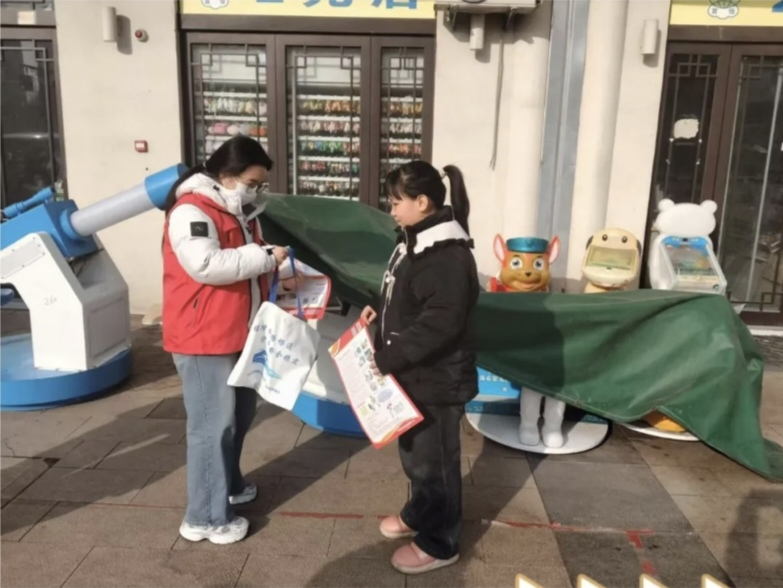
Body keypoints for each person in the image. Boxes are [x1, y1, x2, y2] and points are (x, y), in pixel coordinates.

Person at [161, 136, 288, 545]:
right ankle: (206, 517)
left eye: (260, 184)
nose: (256, 190)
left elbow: (246, 262)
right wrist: (266, 258)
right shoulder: (191, 210)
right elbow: (206, 264)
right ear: (227, 174)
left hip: (236, 331)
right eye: (252, 182)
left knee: (238, 416)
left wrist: (276, 268)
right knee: (211, 427)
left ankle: (227, 485)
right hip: (203, 337)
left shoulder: (235, 210)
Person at [361, 160, 480, 575]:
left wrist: (388, 357)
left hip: (437, 379)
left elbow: (441, 323)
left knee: (435, 464)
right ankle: (419, 513)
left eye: (397, 202)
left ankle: (439, 541)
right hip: (414, 375)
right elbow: (404, 294)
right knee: (416, 456)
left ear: (423, 202)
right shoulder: (416, 239)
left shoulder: (446, 254)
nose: (391, 210)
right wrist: (377, 309)